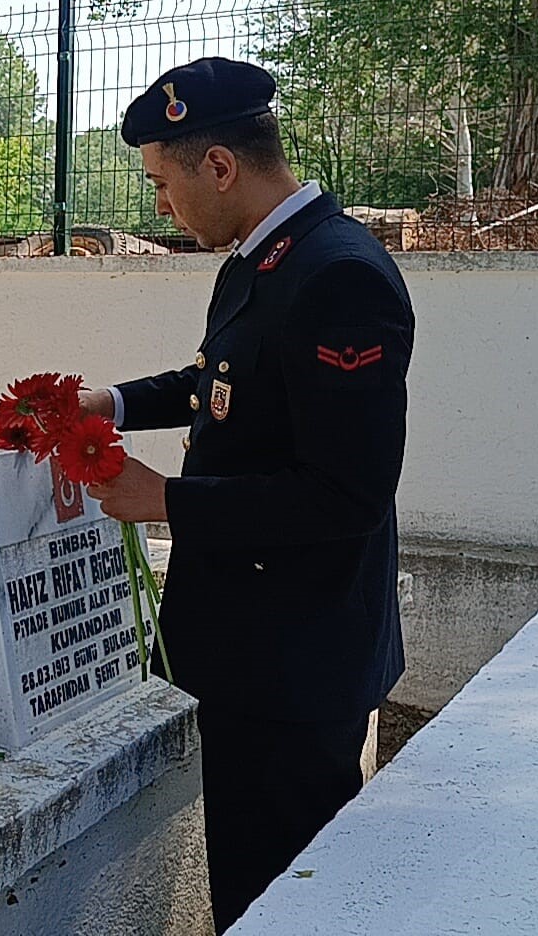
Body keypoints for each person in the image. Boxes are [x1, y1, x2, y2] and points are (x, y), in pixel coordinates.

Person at [76, 57, 414, 930]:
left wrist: (166, 502)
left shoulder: (339, 276)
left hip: (297, 667)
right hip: (257, 653)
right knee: (257, 886)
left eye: (162, 182)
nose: (159, 206)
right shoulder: (260, 260)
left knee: (278, 898)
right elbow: (216, 384)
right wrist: (107, 404)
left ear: (218, 166)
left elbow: (346, 497)